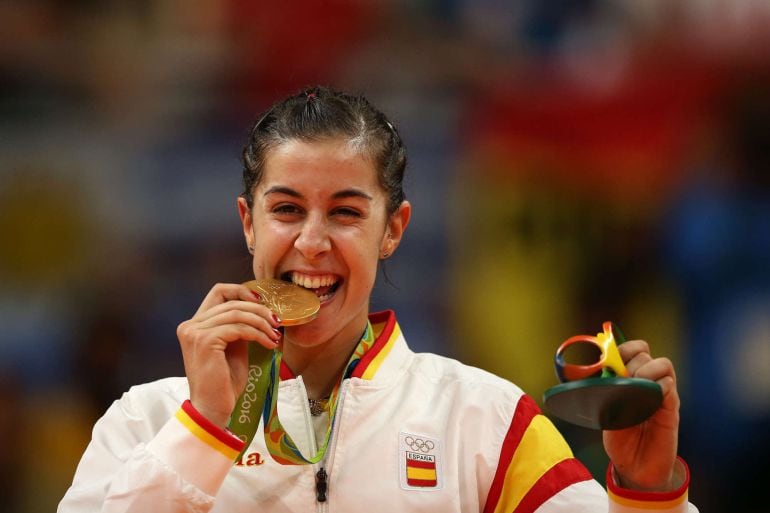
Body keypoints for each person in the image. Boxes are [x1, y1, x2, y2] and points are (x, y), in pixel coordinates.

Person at [59, 86, 697, 512]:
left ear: (392, 230)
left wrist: (648, 491)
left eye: (345, 212)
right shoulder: (147, 420)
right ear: (247, 223)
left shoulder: (484, 421)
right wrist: (203, 430)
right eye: (285, 210)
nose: (311, 242)